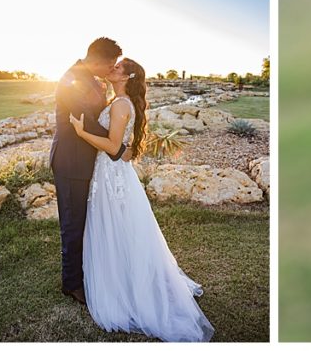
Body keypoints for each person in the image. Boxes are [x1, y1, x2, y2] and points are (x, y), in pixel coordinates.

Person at [69, 58, 214, 342]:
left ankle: (126, 288)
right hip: (109, 173)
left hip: (113, 177)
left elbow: (112, 147)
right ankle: (122, 278)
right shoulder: (117, 101)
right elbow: (122, 146)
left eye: (117, 67)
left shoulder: (122, 105)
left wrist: (82, 132)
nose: (112, 69)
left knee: (118, 229)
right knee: (119, 229)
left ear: (128, 76)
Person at [50, 37, 130, 306]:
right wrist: (117, 149)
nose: (112, 70)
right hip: (71, 163)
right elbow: (86, 123)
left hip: (89, 162)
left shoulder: (93, 79)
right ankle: (71, 284)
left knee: (86, 222)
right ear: (98, 61)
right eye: (110, 64)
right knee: (72, 224)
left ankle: (86, 270)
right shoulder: (71, 80)